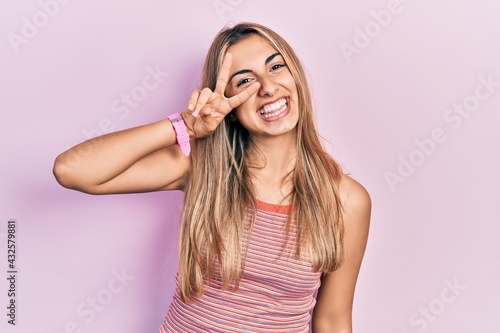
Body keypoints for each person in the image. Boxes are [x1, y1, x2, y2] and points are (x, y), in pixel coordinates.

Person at [53, 22, 371, 333]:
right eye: (245, 81)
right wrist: (184, 127)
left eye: (276, 68)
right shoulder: (202, 168)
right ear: (228, 106)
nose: (268, 87)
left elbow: (332, 321)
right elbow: (72, 170)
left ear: (295, 77)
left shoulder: (346, 201)